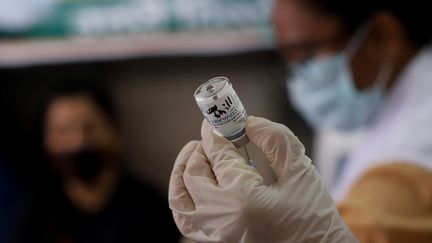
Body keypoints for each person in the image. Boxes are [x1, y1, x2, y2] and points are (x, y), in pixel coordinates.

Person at [168, 0, 432, 242]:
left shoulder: (413, 153)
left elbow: (371, 223)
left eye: (305, 54)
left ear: (380, 36)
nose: (299, 77)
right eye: (288, 59)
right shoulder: (369, 98)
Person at [18, 82, 180, 243]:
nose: (77, 142)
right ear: (44, 140)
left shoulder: (151, 209)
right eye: (63, 131)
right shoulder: (36, 214)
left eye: (89, 128)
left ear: (115, 132)